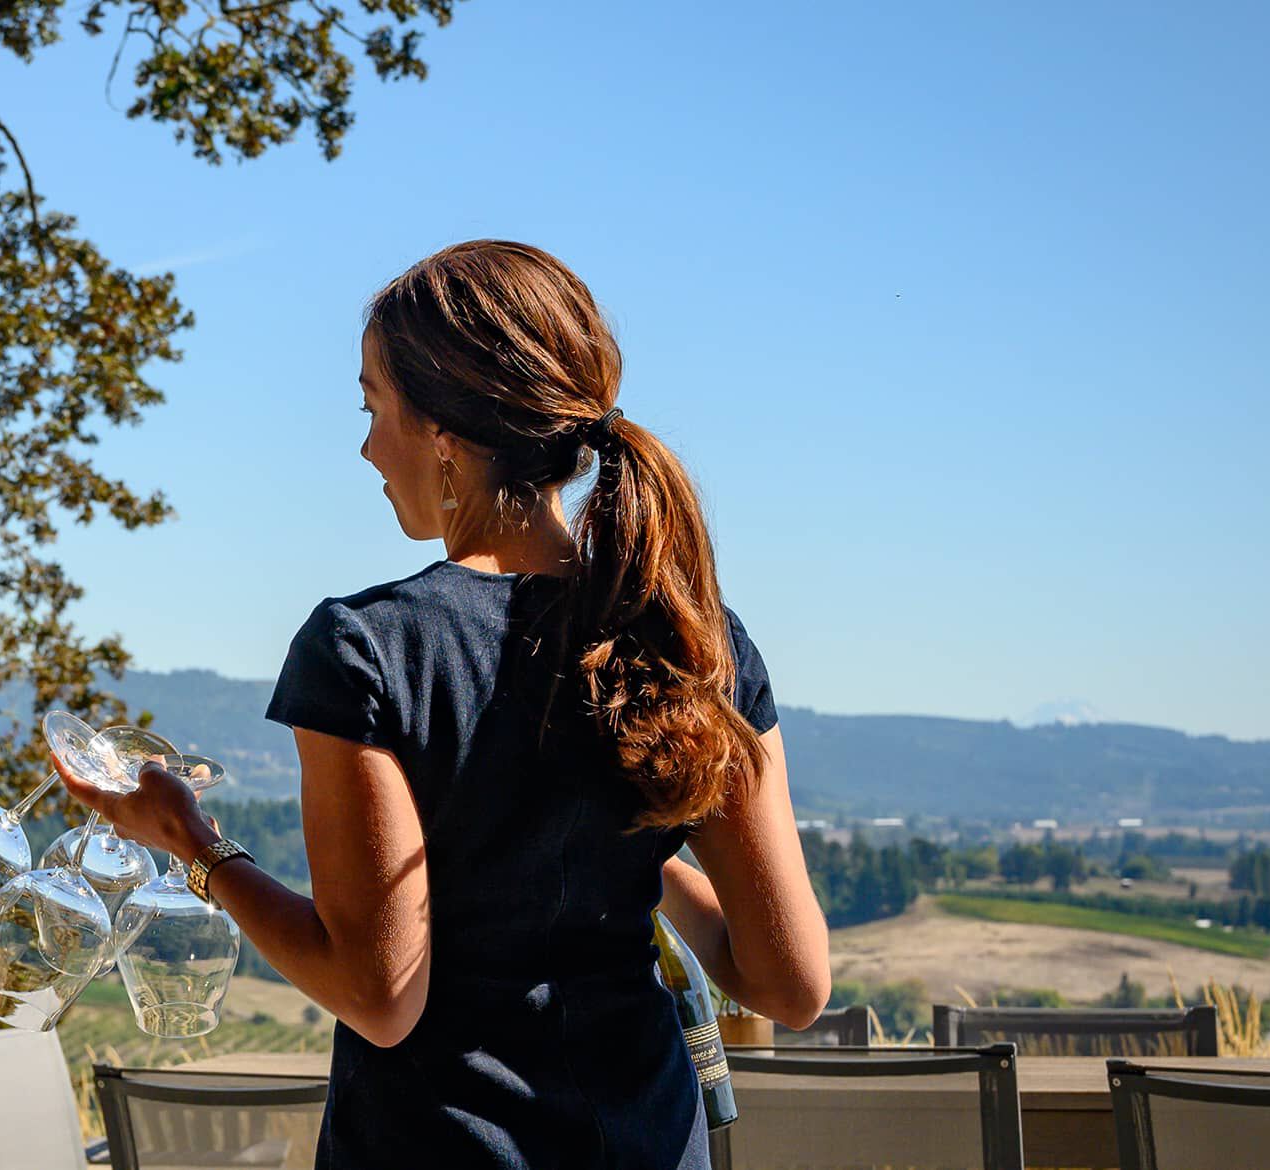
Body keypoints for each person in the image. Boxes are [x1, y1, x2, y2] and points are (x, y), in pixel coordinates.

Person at [61, 240, 831, 1169]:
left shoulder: (369, 650)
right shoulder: (693, 639)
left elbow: (381, 998)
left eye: (372, 406)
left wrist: (193, 845)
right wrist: (626, 833)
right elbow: (790, 986)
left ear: (442, 432)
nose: (365, 445)